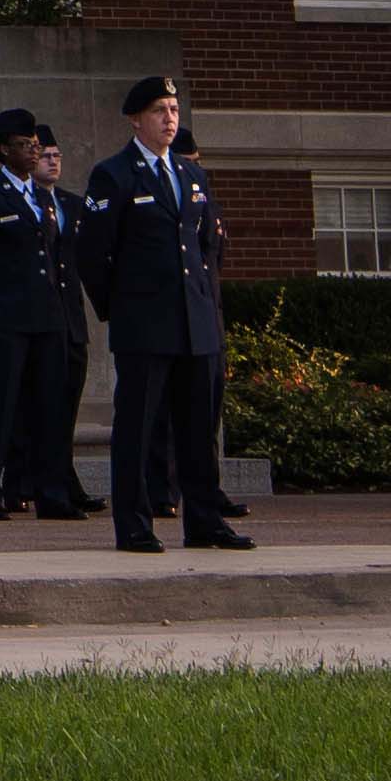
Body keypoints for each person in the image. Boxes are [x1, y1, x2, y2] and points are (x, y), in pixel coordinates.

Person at [87, 75, 252, 554]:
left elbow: (204, 248)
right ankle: (135, 525)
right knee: (138, 430)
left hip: (194, 322)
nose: (170, 119)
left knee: (199, 429)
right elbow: (93, 254)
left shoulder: (189, 174)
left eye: (174, 110)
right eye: (160, 110)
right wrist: (121, 308)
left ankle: (204, 521)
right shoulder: (115, 174)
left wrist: (204, 306)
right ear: (136, 119)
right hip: (145, 324)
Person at [0, 108, 94, 519]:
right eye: (23, 145)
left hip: (48, 320)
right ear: (3, 149)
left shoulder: (45, 199)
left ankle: (52, 494)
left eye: (35, 145)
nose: (32, 152)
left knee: (51, 408)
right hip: (7, 321)